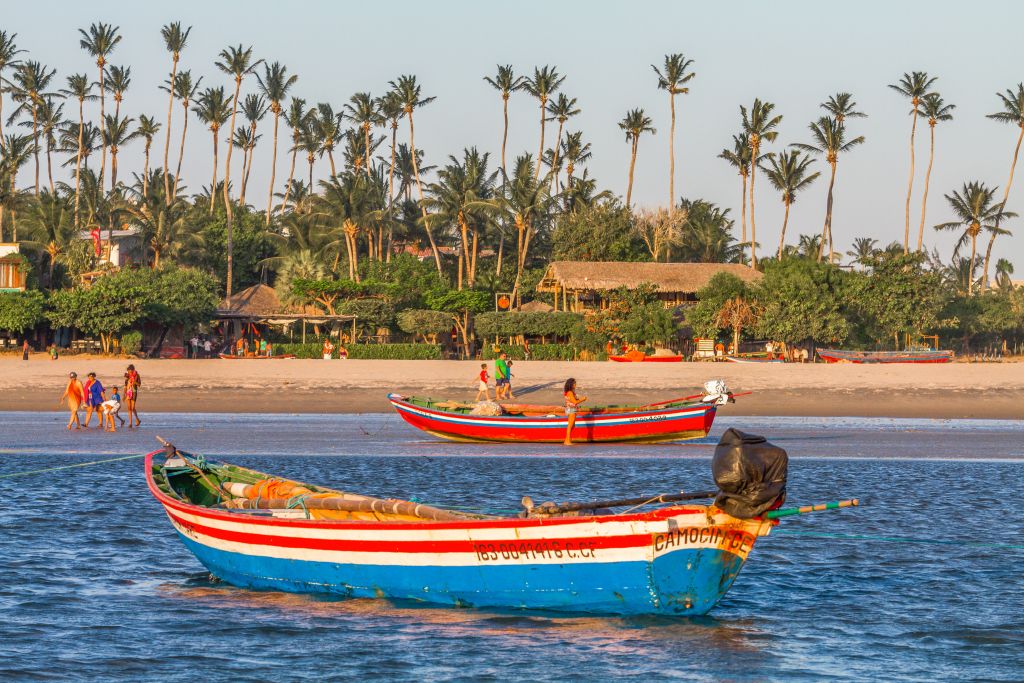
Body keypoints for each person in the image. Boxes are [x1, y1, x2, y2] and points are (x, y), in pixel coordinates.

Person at [563, 377, 587, 446]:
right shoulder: (570, 392)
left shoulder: (571, 392)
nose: (576, 384)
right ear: (571, 384)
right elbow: (574, 402)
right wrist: (583, 399)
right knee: (570, 426)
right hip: (571, 410)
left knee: (572, 426)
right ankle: (567, 441)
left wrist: (579, 400)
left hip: (571, 409)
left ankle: (567, 440)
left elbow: (574, 400)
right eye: (574, 383)